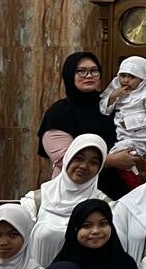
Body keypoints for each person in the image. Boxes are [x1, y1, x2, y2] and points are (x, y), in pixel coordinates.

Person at [37, 51, 132, 199]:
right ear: (70, 75)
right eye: (82, 71)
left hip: (114, 187)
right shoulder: (59, 112)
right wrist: (112, 160)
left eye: (94, 71)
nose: (89, 75)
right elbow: (63, 158)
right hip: (75, 188)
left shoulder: (109, 105)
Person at [22, 134, 111, 266]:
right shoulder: (36, 201)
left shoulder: (106, 206)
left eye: (93, 162)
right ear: (68, 157)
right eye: (79, 158)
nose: (84, 166)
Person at [100, 56, 146, 178]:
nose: (126, 80)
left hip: (140, 134)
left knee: (120, 152)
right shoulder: (117, 88)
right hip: (120, 131)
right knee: (118, 151)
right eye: (123, 76)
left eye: (131, 77)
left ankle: (131, 173)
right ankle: (130, 172)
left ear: (142, 79)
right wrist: (113, 96)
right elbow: (104, 110)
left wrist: (131, 122)